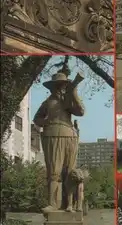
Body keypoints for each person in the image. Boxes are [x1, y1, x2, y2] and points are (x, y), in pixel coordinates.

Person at [33, 71, 85, 212]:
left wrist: (73, 91)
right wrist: (46, 121)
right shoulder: (48, 102)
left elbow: (81, 111)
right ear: (52, 87)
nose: (60, 88)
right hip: (52, 136)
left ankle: (71, 205)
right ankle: (53, 204)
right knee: (54, 171)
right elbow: (36, 118)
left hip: (70, 136)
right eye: (57, 85)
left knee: (70, 172)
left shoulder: (68, 99)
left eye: (62, 85)